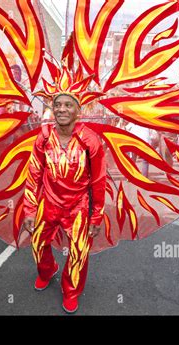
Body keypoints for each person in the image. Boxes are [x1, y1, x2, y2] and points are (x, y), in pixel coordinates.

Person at [22, 93, 106, 314]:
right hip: (48, 202)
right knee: (37, 243)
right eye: (57, 105)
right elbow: (33, 175)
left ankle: (70, 290)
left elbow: (98, 181)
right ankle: (47, 270)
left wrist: (96, 216)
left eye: (68, 105)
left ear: (78, 111)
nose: (62, 109)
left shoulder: (90, 140)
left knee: (79, 252)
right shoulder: (43, 138)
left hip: (78, 207)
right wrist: (29, 209)